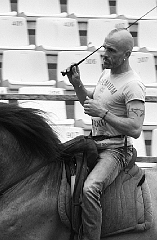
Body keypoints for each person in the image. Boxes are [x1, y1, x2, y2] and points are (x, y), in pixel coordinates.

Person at [66, 28, 145, 240]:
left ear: (127, 54)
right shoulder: (105, 73)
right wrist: (77, 84)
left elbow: (136, 129)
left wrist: (103, 112)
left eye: (111, 50)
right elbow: (89, 104)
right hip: (95, 143)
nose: (104, 54)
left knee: (90, 189)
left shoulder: (133, 86)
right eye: (104, 48)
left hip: (117, 150)